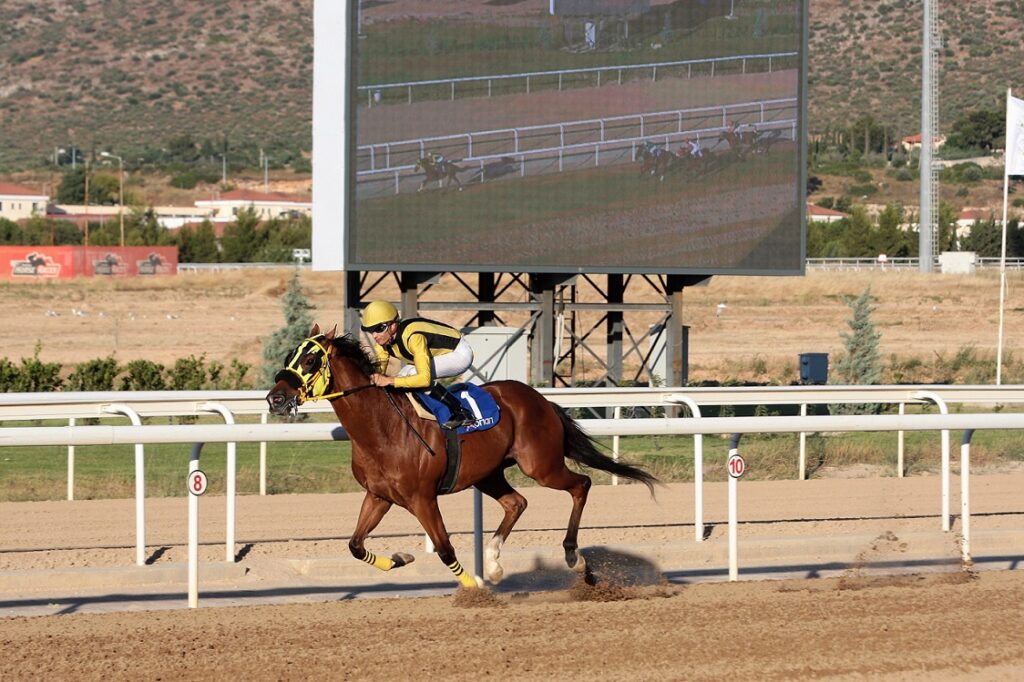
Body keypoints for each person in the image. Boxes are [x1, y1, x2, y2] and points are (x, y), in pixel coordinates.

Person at [360, 300, 476, 429]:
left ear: (392, 326)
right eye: (370, 331)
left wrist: (389, 380)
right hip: (439, 354)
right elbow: (378, 373)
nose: (374, 335)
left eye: (378, 329)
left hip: (459, 353)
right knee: (402, 376)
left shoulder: (414, 337)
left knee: (412, 375)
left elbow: (424, 379)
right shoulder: (383, 343)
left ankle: (461, 412)